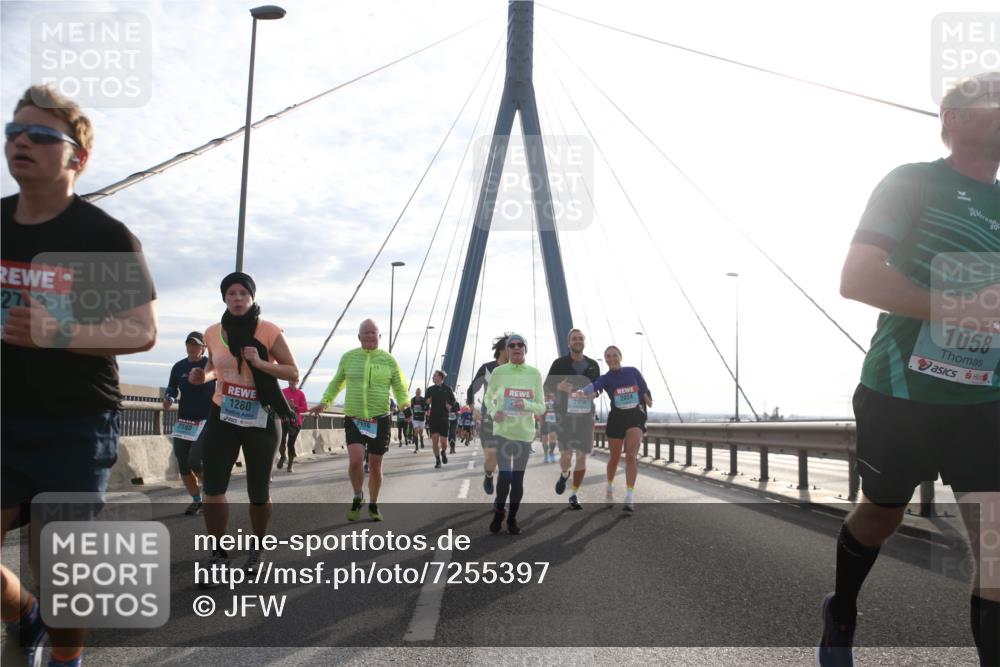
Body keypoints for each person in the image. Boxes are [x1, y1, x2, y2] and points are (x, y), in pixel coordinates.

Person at [818, 72, 1000, 667]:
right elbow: (856, 278)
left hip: (985, 402)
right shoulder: (914, 182)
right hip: (902, 392)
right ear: (954, 119)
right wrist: (957, 307)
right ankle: (842, 608)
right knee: (882, 514)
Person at [1, 84, 157, 667]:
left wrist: (56, 334)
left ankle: (65, 659)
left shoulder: (101, 236)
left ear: (77, 158)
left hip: (74, 424)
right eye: (14, 132)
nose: (21, 142)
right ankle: (21, 612)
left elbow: (140, 330)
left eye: (40, 135)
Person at [192, 272, 298, 582]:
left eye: (243, 293)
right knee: (212, 487)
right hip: (222, 415)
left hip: (261, 418)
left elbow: (292, 370)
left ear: (251, 297)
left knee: (258, 492)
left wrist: (260, 363)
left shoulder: (268, 330)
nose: (237, 298)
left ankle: (258, 547)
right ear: (224, 298)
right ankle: (217, 553)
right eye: (231, 294)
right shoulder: (213, 332)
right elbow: (214, 366)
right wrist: (204, 376)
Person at [310, 319, 409, 522]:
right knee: (355, 460)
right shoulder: (348, 358)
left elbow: (399, 386)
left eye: (374, 332)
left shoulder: (389, 360)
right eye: (366, 332)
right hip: (354, 417)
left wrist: (404, 405)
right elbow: (337, 382)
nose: (370, 335)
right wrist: (325, 402)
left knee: (375, 465)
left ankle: (373, 504)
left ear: (380, 336)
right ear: (359, 336)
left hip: (380, 418)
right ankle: (358, 495)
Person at [573, 345, 651, 512]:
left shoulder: (632, 371)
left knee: (631, 456)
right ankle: (609, 487)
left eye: (614, 355)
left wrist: (646, 398)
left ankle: (629, 496)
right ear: (606, 359)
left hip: (635, 417)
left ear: (620, 356)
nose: (612, 358)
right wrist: (582, 392)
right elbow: (595, 386)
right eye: (608, 356)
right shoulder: (606, 377)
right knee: (614, 457)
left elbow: (643, 387)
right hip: (617, 418)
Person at [484, 334, 545, 535]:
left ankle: (511, 518)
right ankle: (499, 511)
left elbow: (541, 407)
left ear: (525, 349)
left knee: (517, 481)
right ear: (507, 350)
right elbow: (488, 398)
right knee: (505, 476)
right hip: (503, 432)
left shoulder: (535, 374)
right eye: (512, 345)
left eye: (520, 345)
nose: (516, 347)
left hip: (524, 434)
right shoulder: (499, 372)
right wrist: (494, 413)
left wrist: (526, 404)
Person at [546, 328, 601, 509]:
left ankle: (574, 494)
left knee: (582, 457)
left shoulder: (593, 365)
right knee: (566, 456)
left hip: (585, 418)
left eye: (580, 338)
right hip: (565, 418)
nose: (577, 341)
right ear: (569, 343)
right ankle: (564, 474)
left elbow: (599, 388)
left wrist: (594, 394)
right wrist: (559, 387)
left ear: (584, 342)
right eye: (574, 339)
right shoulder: (559, 364)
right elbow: (547, 387)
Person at [164, 331, 215, 515]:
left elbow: (223, 382)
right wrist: (169, 396)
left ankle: (212, 491)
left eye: (196, 345)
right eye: (189, 344)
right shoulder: (179, 367)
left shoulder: (210, 364)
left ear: (203, 348)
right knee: (183, 462)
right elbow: (172, 387)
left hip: (206, 420)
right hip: (185, 421)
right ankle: (197, 500)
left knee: (195, 460)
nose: (192, 348)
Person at [468, 335, 509, 494]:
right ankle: (489, 474)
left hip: (509, 422)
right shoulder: (487, 368)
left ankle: (500, 501)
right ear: (501, 349)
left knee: (505, 463)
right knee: (492, 459)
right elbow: (472, 388)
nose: (513, 349)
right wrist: (473, 409)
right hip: (488, 419)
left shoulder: (516, 370)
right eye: (509, 346)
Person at [425, 370, 456, 468]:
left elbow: (453, 400)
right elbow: (425, 401)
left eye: (434, 375)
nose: (432, 377)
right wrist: (427, 401)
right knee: (434, 440)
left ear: (440, 377)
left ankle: (443, 452)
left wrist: (449, 405)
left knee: (444, 442)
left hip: (444, 418)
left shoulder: (447, 389)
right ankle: (438, 460)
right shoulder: (430, 389)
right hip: (433, 418)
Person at [278, 378, 307, 472]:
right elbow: (277, 404)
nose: (292, 382)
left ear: (297, 381)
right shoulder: (283, 391)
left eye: (294, 380)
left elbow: (305, 408)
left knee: (290, 444)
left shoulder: (301, 394)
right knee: (281, 442)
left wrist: (295, 407)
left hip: (296, 423)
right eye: (290, 380)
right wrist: (286, 405)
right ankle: (283, 456)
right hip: (283, 421)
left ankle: (290, 465)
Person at [540, 394, 557, 463]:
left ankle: (551, 453)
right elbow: (540, 412)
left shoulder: (556, 401)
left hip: (553, 422)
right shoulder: (543, 400)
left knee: (553, 437)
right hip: (544, 422)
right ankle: (546, 455)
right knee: (544, 439)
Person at [410, 387, 427, 452]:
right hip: (415, 418)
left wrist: (424, 409)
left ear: (420, 393)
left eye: (419, 392)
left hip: (422, 418)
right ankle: (416, 447)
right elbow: (411, 408)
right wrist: (410, 415)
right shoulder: (413, 400)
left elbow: (426, 407)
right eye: (417, 392)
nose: (418, 393)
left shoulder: (423, 399)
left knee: (420, 433)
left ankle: (422, 441)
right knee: (416, 431)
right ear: (415, 392)